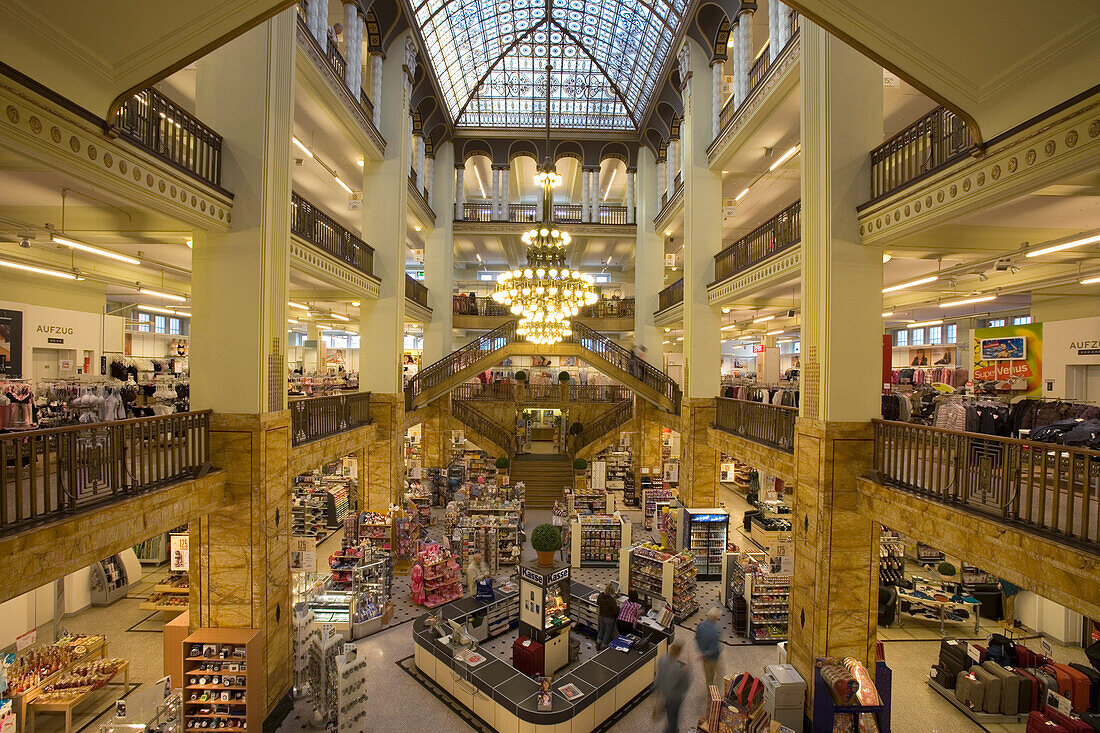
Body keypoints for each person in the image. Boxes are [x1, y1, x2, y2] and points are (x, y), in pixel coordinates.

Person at [656, 641, 690, 733]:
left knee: (669, 715)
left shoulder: (662, 660)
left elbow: (658, 677)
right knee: (673, 720)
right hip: (675, 698)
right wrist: (687, 672)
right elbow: (685, 687)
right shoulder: (678, 669)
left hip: (665, 693)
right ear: (679, 653)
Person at [695, 607, 722, 709]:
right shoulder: (715, 632)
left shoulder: (700, 626)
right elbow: (714, 649)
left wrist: (702, 650)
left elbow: (697, 638)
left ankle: (710, 692)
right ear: (715, 618)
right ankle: (711, 701)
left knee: (708, 678)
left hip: (705, 658)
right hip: (712, 658)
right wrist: (706, 653)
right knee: (715, 676)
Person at [596, 582, 619, 650]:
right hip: (609, 618)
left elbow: (598, 602)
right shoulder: (612, 600)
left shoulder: (600, 596)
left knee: (602, 629)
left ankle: (598, 644)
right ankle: (603, 646)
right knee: (608, 632)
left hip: (601, 616)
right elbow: (615, 611)